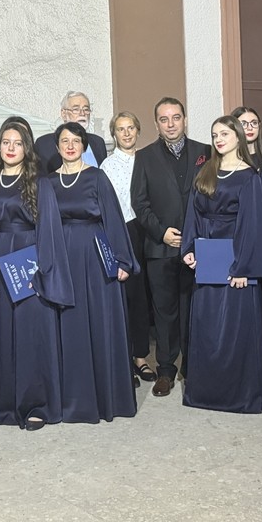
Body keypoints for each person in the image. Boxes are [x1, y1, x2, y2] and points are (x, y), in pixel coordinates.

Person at [180, 115, 262, 413]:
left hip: (236, 260)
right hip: (208, 258)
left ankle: (239, 395)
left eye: (225, 133)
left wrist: (244, 268)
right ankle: (206, 394)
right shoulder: (206, 171)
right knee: (207, 327)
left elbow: (253, 225)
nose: (219, 138)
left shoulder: (250, 176)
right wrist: (189, 248)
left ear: (238, 136)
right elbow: (193, 215)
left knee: (235, 329)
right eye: (214, 134)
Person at [0, 119, 72, 429]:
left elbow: (49, 230)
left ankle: (36, 405)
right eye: (6, 142)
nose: (10, 148)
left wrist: (43, 272)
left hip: (28, 263)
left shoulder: (40, 183)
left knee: (31, 335)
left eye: (17, 143)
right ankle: (3, 406)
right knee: (1, 335)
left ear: (26, 148)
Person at [47, 122, 138, 421]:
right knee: (70, 327)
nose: (70, 146)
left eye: (76, 141)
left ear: (84, 146)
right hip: (63, 259)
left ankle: (106, 397)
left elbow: (113, 218)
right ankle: (74, 400)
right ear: (57, 146)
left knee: (99, 323)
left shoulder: (97, 177)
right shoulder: (47, 183)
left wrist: (123, 261)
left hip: (97, 258)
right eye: (64, 141)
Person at [131, 97, 210, 396]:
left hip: (196, 247)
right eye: (164, 119)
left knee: (193, 310)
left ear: (185, 119)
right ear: (156, 124)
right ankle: (166, 370)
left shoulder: (205, 152)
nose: (171, 124)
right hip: (160, 247)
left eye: (176, 117)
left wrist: (195, 233)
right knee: (164, 313)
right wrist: (161, 232)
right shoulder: (145, 156)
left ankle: (193, 367)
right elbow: (139, 202)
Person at [101, 111, 155, 383]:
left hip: (149, 231)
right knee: (127, 297)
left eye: (131, 127)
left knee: (144, 297)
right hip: (124, 231)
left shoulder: (148, 160)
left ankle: (141, 357)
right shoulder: (107, 166)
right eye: (120, 129)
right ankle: (124, 358)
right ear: (114, 134)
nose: (126, 133)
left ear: (138, 130)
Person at [35, 91, 109, 172]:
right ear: (64, 114)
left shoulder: (98, 142)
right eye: (76, 109)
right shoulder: (44, 144)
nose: (82, 113)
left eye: (86, 109)